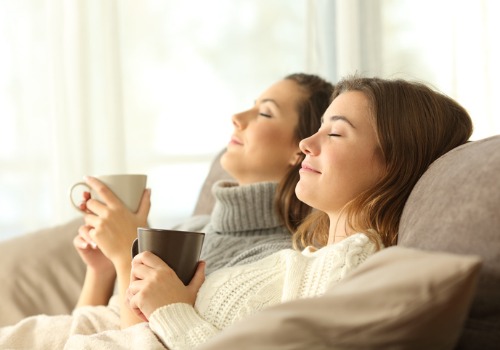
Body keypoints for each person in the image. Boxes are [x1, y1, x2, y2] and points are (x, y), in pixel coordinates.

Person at [59, 74, 472, 349]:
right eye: (317, 128)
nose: (306, 145)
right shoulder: (302, 260)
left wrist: (167, 307)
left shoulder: (351, 269)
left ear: (393, 162)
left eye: (335, 133)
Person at [0, 73, 334, 347]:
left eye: (265, 112)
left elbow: (139, 342)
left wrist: (126, 253)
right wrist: (102, 270)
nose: (237, 118)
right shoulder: (194, 225)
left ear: (303, 149)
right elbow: (88, 330)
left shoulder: (273, 260)